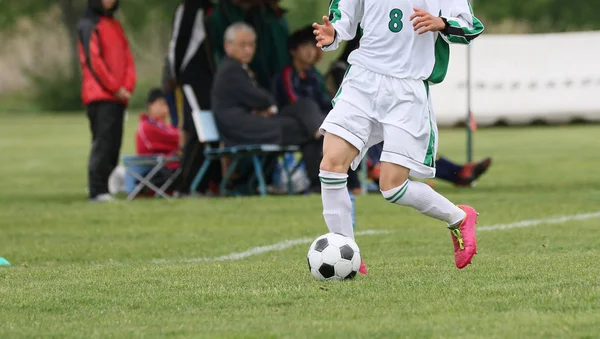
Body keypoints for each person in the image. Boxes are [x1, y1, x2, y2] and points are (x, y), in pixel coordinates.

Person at [313, 0, 484, 272]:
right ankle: (349, 255)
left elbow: (470, 26)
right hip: (363, 79)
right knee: (331, 164)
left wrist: (442, 24)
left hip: (407, 89)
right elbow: (341, 18)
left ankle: (460, 218)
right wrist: (333, 34)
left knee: (392, 187)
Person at [325, 31, 493, 188]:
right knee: (382, 136)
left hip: (376, 116)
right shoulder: (345, 69)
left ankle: (455, 172)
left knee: (412, 138)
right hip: (352, 123)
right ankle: (401, 180)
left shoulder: (376, 66)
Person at [212, 23, 325, 191]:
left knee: (305, 108)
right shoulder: (231, 70)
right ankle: (321, 139)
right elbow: (259, 98)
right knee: (301, 127)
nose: (248, 50)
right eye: (243, 45)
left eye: (251, 45)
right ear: (228, 46)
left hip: (252, 122)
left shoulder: (239, 69)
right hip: (239, 128)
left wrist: (264, 106)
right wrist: (266, 105)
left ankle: (319, 135)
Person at [77, 0, 136, 202]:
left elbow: (127, 56)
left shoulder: (114, 25)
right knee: (103, 142)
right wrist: (114, 88)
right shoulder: (88, 25)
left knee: (114, 143)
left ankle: (107, 186)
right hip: (100, 95)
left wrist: (128, 86)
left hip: (118, 96)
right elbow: (94, 62)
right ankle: (97, 189)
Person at [167, 0, 221, 196]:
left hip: (208, 79)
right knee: (199, 130)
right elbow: (178, 41)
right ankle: (186, 184)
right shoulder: (190, 7)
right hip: (191, 77)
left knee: (208, 131)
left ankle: (206, 182)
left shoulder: (210, 8)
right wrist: (175, 76)